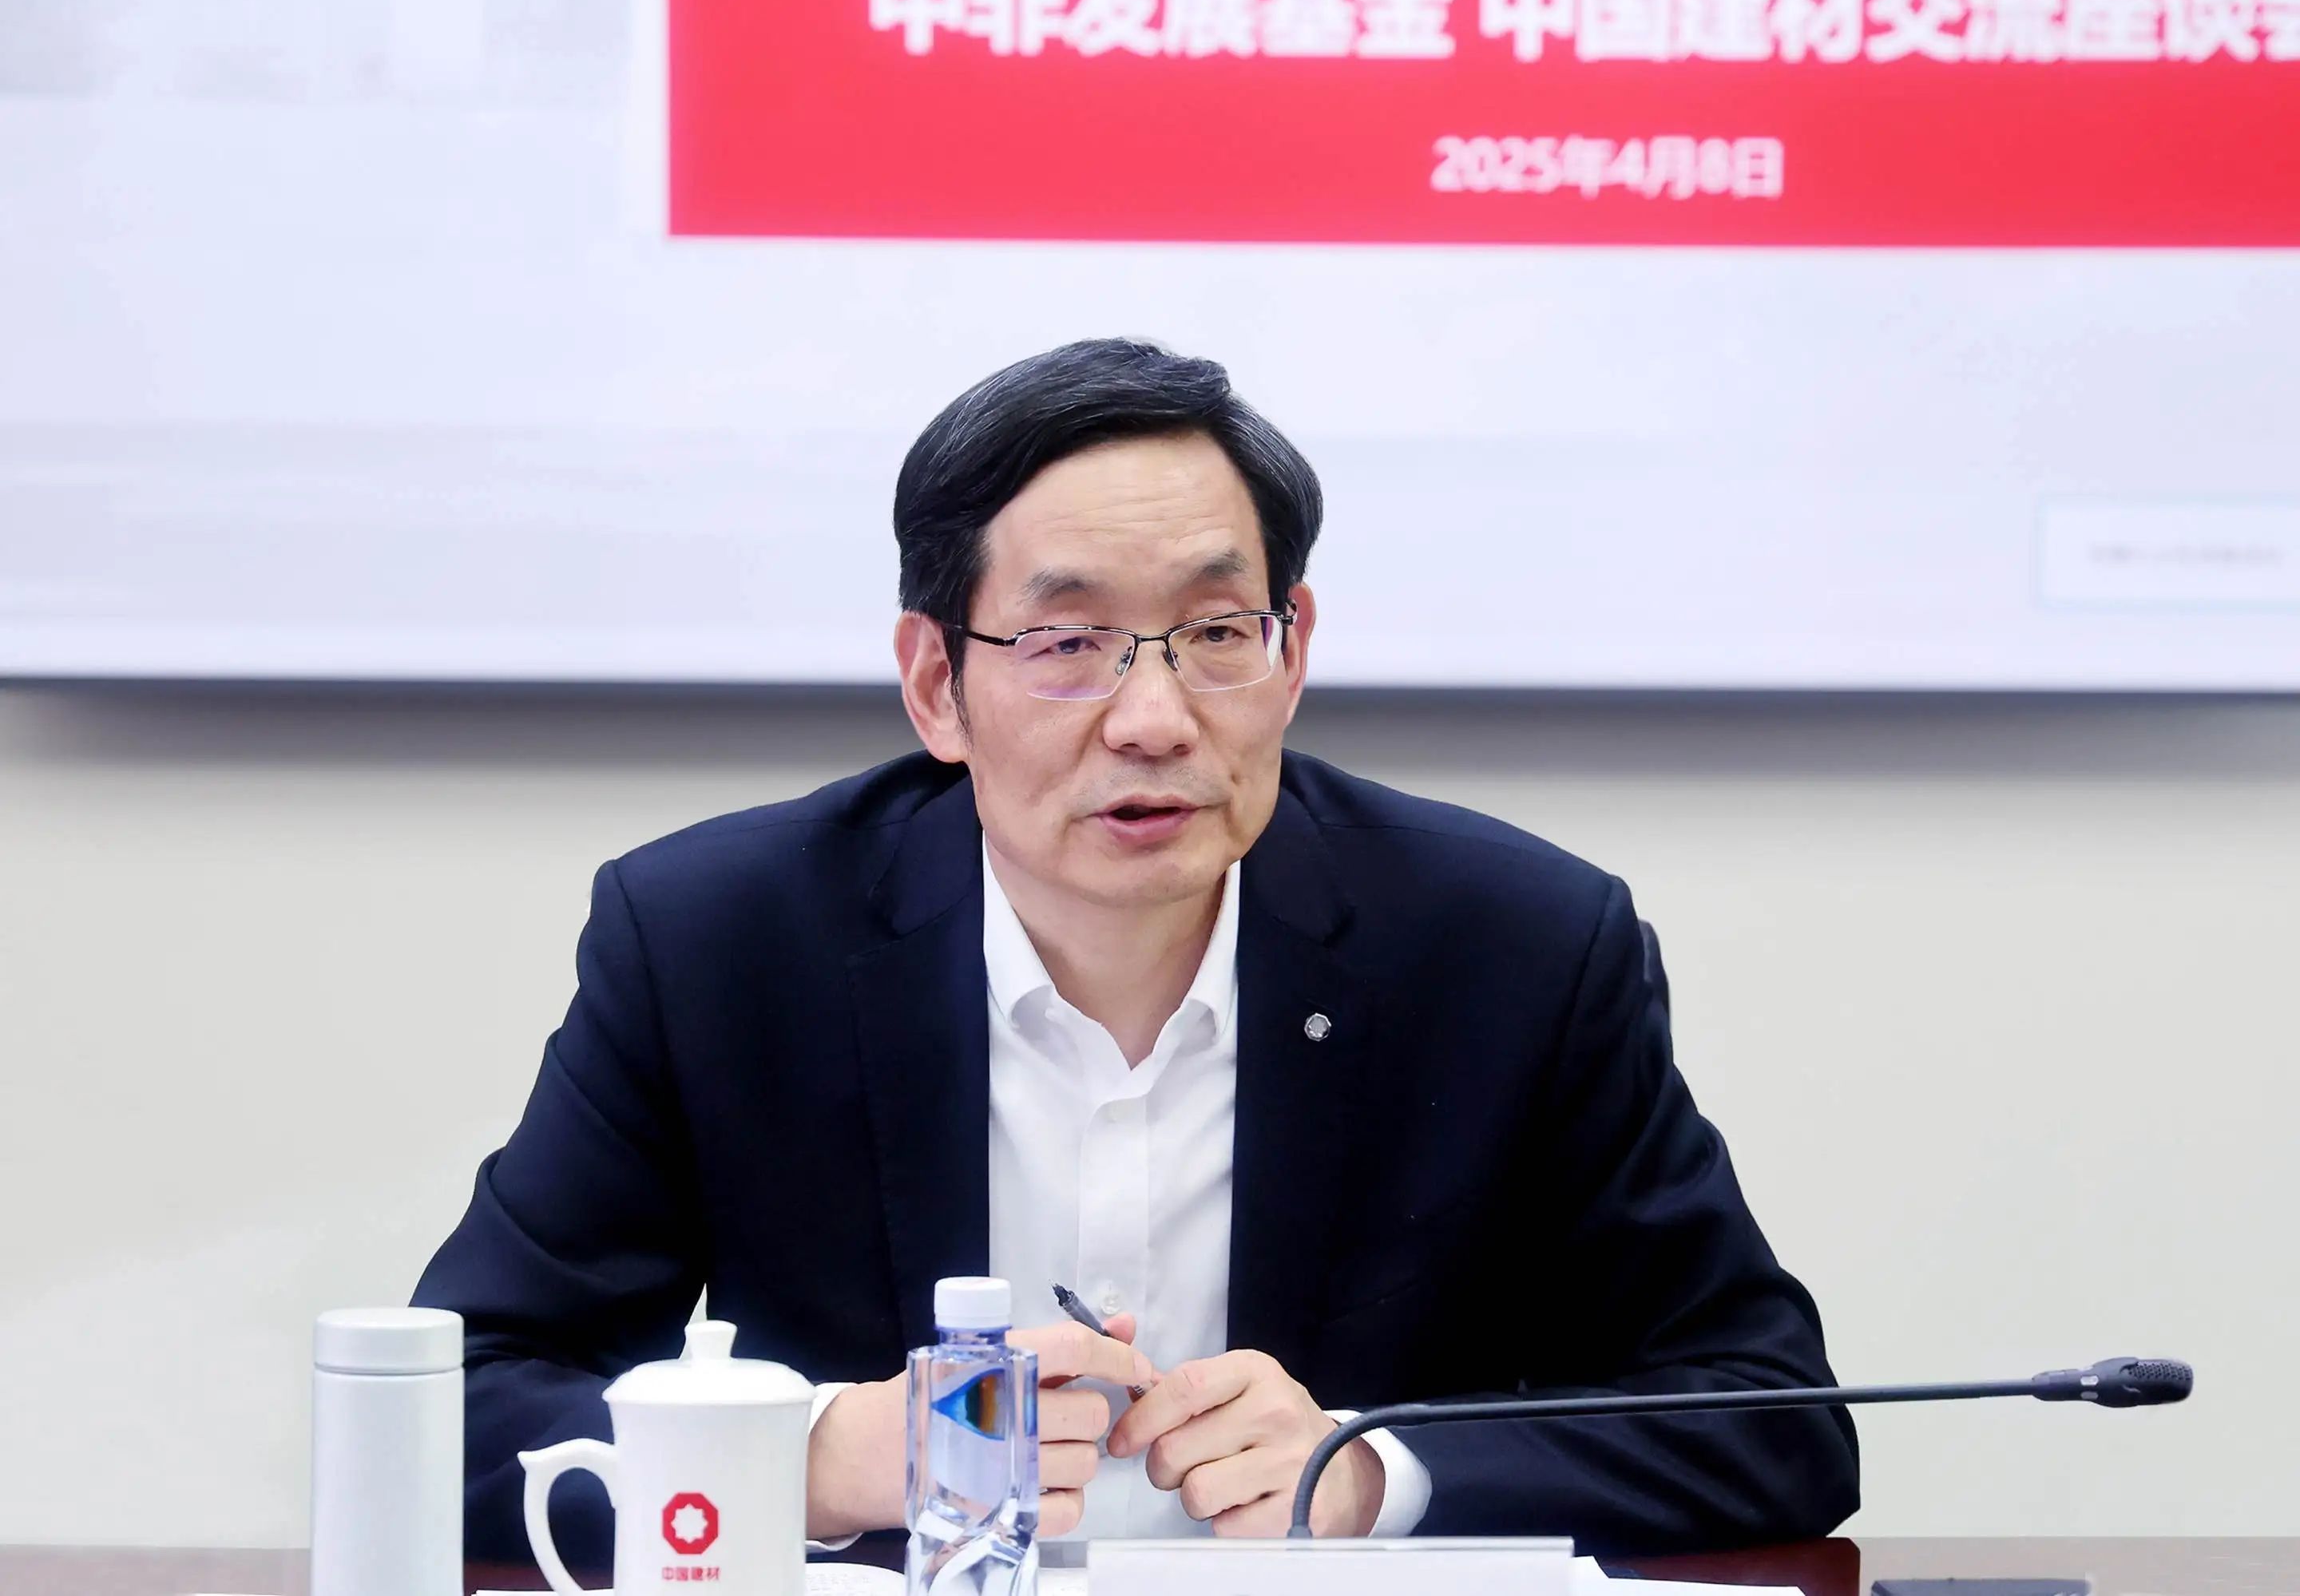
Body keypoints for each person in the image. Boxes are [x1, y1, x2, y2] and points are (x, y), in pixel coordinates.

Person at [413, 339, 1859, 1567]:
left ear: (1293, 650)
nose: (1155, 718)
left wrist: (1372, 1472)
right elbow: (455, 1403)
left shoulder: (1512, 949)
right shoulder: (720, 944)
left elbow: (1771, 1419)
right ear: (937, 683)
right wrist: (824, 1453)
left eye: (1216, 631)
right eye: (1068, 643)